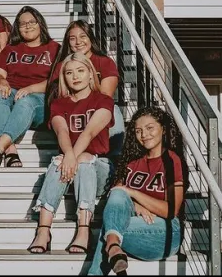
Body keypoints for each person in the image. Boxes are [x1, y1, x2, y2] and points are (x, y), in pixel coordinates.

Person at [27, 52, 114, 255]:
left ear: (91, 74)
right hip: (69, 168)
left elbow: (90, 131)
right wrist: (68, 155)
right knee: (59, 161)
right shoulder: (59, 103)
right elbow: (62, 131)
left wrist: (72, 156)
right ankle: (44, 230)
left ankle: (84, 230)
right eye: (69, 72)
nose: (75, 76)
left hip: (100, 168)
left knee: (82, 159)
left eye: (81, 71)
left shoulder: (103, 100)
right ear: (64, 77)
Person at [87, 106, 188, 275]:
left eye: (150, 128)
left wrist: (133, 193)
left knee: (110, 227)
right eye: (138, 130)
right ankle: (113, 247)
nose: (144, 135)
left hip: (166, 233)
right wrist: (136, 205)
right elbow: (117, 195)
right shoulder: (132, 163)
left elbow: (171, 210)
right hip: (134, 226)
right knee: (117, 197)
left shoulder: (172, 160)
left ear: (163, 129)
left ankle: (111, 248)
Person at [0, 6, 60, 167]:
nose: (27, 26)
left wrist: (31, 89)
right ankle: (10, 151)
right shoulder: (10, 49)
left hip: (40, 101)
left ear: (40, 24)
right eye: (22, 24)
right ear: (17, 28)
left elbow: (57, 81)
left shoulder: (55, 48)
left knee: (26, 101)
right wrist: (2, 82)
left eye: (32, 22)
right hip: (12, 93)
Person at [49, 20, 124, 156]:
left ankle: (115, 155)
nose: (78, 42)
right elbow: (59, 93)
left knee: (114, 109)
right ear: (68, 42)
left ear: (90, 38)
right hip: (72, 113)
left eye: (83, 36)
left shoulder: (104, 62)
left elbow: (105, 96)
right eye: (72, 38)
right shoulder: (63, 65)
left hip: (95, 111)